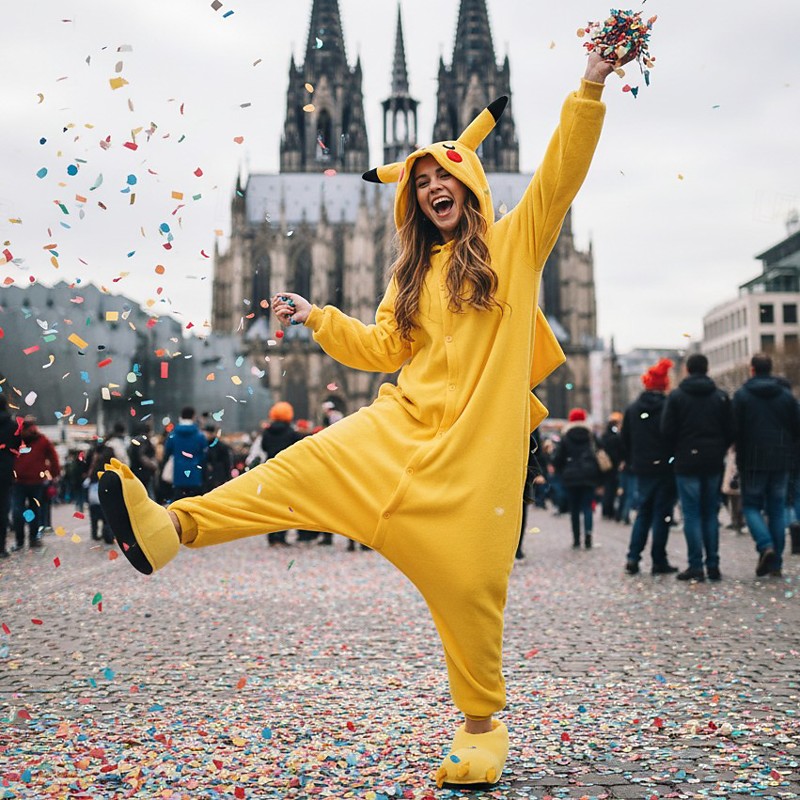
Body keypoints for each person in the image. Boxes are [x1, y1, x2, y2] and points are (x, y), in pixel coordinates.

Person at [99, 47, 624, 789]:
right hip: (399, 428)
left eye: (445, 176)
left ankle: (481, 726)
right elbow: (380, 349)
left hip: (474, 453)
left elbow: (561, 174)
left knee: (469, 589)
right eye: (422, 182)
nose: (434, 188)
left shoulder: (515, 242)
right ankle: (172, 527)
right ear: (412, 202)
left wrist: (589, 86)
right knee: (297, 468)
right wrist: (318, 316)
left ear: (471, 183)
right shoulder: (412, 273)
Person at [661, 353, 734, 582]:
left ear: (687, 370)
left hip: (686, 461)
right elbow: (731, 429)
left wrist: (678, 449)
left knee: (691, 514)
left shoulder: (677, 397)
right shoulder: (720, 396)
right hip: (713, 461)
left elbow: (666, 430)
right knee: (710, 513)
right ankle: (713, 564)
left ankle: (695, 565)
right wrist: (719, 448)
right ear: (707, 369)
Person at [732, 353, 800, 578]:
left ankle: (765, 545)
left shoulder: (742, 396)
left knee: (751, 506)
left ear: (752, 369)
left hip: (752, 459)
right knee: (777, 509)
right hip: (781, 458)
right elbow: (796, 427)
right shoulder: (786, 396)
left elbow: (734, 429)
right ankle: (776, 563)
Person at [622, 358, 678, 576]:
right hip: (665, 467)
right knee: (662, 514)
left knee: (643, 512)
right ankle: (658, 559)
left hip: (642, 467)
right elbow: (673, 435)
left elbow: (625, 439)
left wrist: (633, 460)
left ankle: (633, 557)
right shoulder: (668, 406)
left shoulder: (633, 409)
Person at [247, 401, 301, 546]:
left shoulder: (267, 432)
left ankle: (271, 536)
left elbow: (264, 447)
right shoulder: (292, 433)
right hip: (286, 471)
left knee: (271, 505)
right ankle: (281, 536)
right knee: (286, 506)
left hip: (271, 469)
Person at [551, 408, 600, 549]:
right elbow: (599, 454)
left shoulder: (566, 436)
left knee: (574, 508)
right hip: (589, 475)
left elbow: (558, 458)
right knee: (588, 507)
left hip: (571, 477)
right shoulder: (590, 436)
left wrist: (562, 471)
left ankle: (576, 539)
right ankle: (588, 535)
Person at [11, 417, 60, 550]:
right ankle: (31, 539)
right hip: (32, 481)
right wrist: (53, 474)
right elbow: (53, 457)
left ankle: (21, 540)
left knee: (19, 511)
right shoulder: (42, 440)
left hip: (22, 481)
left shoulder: (17, 440)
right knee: (33, 510)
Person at [163, 407, 208, 502]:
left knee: (178, 502)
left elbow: (167, 452)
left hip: (178, 474)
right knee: (194, 502)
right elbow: (204, 455)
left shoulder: (173, 435)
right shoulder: (199, 436)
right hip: (195, 475)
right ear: (193, 417)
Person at [0, 396, 22, 558]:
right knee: (3, 509)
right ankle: (1, 547)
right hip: (5, 470)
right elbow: (17, 446)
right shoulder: (13, 425)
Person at [598, 411, 625, 520]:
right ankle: (609, 510)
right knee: (611, 489)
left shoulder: (604, 435)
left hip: (605, 465)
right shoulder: (615, 436)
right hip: (613, 466)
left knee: (608, 488)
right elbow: (619, 450)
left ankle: (606, 510)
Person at [128, 422, 159, 500]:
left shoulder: (134, 440)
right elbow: (142, 456)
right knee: (149, 495)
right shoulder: (144, 440)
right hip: (145, 473)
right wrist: (153, 465)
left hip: (135, 471)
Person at [203, 423, 234, 493]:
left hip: (218, 476)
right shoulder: (204, 445)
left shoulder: (221, 446)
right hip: (208, 478)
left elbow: (227, 462)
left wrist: (228, 476)